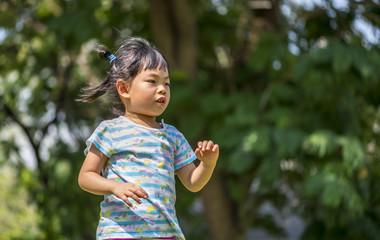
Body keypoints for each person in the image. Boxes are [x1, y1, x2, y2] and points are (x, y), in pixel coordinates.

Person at [78, 37, 219, 240]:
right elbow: (85, 177)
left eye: (167, 83)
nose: (162, 88)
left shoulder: (172, 136)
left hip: (164, 234)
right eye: (152, 81)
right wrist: (114, 187)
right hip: (120, 233)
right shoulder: (110, 131)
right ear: (124, 89)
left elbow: (192, 182)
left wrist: (208, 164)